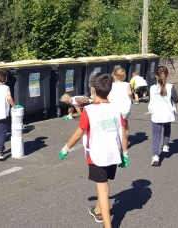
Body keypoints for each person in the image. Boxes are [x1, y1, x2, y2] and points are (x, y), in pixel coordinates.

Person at [59, 73, 129, 228]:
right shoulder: (116, 109)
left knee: (102, 189)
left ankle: (107, 225)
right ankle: (98, 210)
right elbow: (123, 132)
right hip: (114, 153)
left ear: (93, 90)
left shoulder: (89, 111)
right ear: (109, 90)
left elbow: (78, 134)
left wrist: (66, 148)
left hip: (97, 154)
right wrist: (125, 154)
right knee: (104, 184)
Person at [148, 66, 178, 166]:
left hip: (156, 115)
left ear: (156, 76)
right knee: (167, 128)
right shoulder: (171, 87)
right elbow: (176, 100)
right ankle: (165, 145)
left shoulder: (152, 88)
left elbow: (150, 101)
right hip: (167, 114)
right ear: (168, 75)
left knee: (156, 136)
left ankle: (156, 157)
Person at [108, 68, 133, 142]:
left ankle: (116, 139)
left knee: (115, 124)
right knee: (125, 123)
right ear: (124, 76)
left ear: (114, 75)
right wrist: (131, 97)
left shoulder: (111, 85)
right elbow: (130, 93)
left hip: (114, 106)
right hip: (125, 106)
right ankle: (125, 139)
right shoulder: (127, 84)